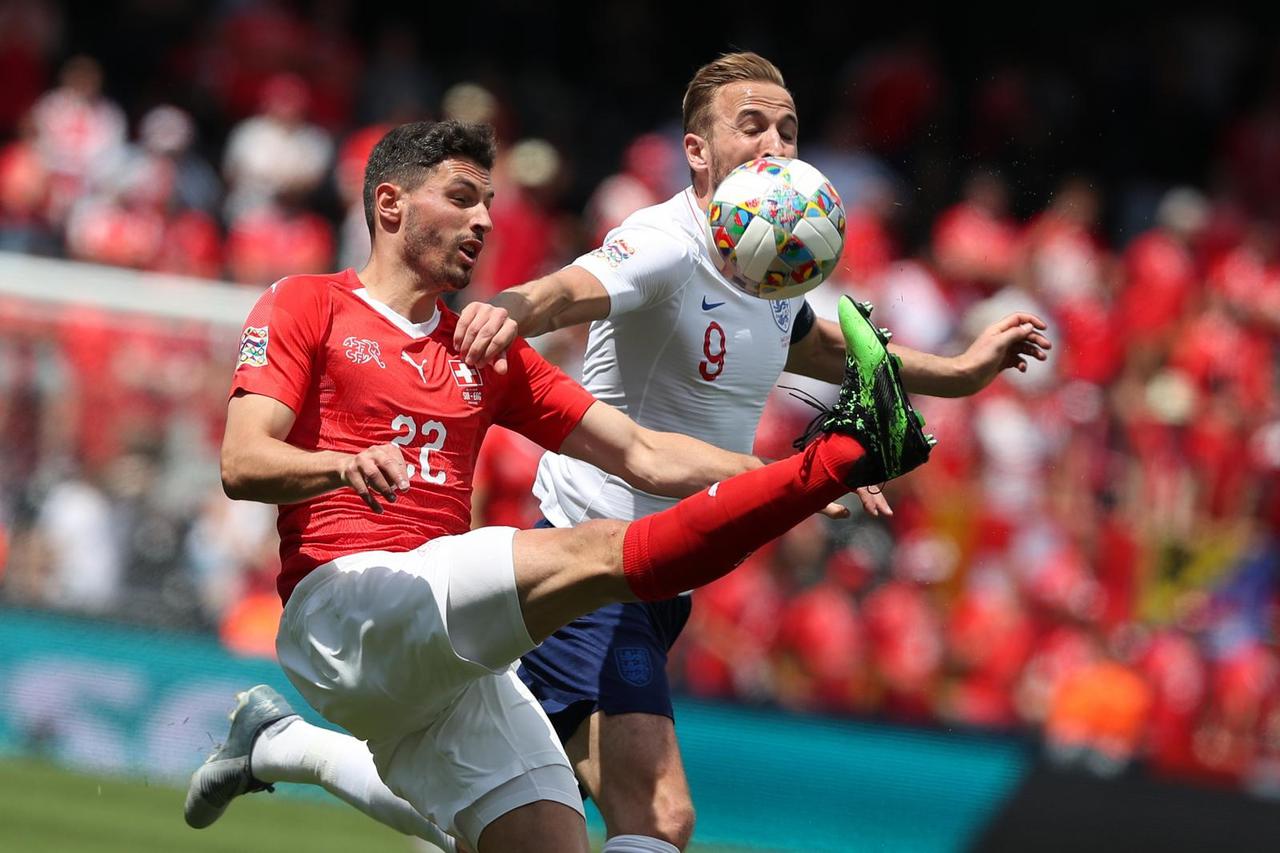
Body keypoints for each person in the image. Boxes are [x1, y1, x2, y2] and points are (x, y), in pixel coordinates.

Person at [188, 55, 1050, 853]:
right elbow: (244, 460)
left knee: (544, 835)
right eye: (753, 125)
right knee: (657, 802)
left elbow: (651, 442)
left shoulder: (756, 271)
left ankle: (278, 741)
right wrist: (361, 448)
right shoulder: (311, 303)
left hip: (472, 622)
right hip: (387, 595)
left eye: (788, 129)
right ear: (698, 150)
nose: (486, 219)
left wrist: (936, 387)